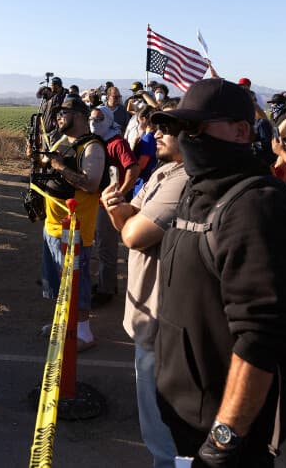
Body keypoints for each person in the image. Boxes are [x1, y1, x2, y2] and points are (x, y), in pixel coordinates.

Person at [150, 78, 286, 466]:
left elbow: (259, 338)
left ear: (240, 131)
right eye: (181, 127)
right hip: (184, 417)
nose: (187, 137)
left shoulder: (255, 206)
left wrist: (222, 443)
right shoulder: (199, 191)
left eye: (197, 126)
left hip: (226, 436)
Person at [100, 102, 187, 468]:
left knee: (167, 435)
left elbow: (134, 236)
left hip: (163, 320)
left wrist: (120, 215)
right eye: (156, 125)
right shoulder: (162, 174)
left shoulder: (185, 180)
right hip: (147, 315)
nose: (157, 133)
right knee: (156, 426)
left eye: (167, 126)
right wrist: (115, 208)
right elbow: (129, 221)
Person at [38, 96, 104, 351]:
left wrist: (58, 165)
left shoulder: (92, 147)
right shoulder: (65, 141)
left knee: (77, 282)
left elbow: (91, 183)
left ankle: (84, 332)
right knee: (56, 280)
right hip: (53, 226)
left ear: (78, 115)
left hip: (75, 229)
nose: (58, 118)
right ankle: (62, 322)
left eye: (62, 113)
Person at [88, 107, 138, 305]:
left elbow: (133, 168)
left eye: (99, 118)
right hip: (96, 200)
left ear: (108, 120)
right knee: (100, 244)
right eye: (91, 118)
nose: (94, 122)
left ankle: (106, 290)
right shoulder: (96, 141)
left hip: (108, 203)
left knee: (106, 247)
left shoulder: (116, 142)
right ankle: (105, 282)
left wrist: (121, 192)